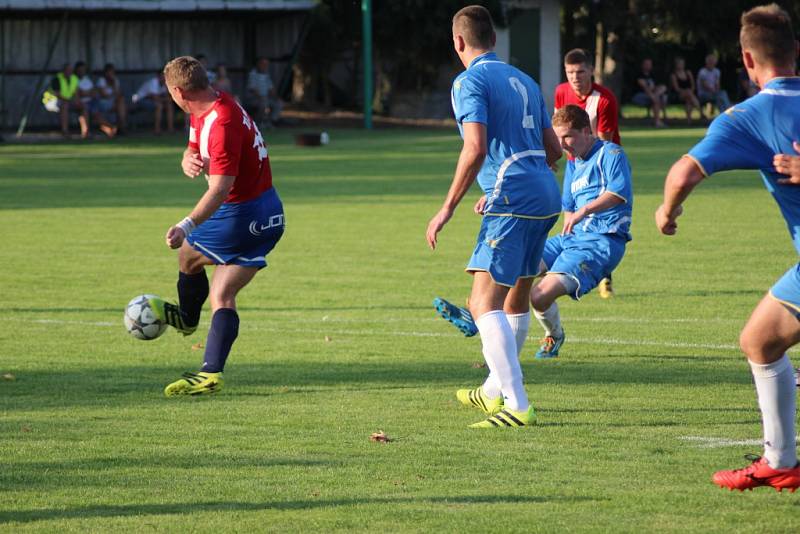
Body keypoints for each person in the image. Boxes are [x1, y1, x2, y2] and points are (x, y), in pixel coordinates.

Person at [656, 4, 800, 492]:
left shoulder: (750, 116)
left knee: (761, 343)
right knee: (761, 340)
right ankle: (779, 461)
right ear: (796, 52)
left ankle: (780, 460)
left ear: (745, 60)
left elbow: (684, 171)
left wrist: (667, 212)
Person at [426, 5, 561, 428]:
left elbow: (475, 147)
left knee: (482, 302)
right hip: (545, 194)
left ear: (458, 42)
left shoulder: (469, 81)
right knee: (512, 296)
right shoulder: (524, 78)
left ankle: (517, 405)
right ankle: (492, 390)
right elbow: (555, 150)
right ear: (495, 40)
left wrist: (446, 207)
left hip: (514, 196)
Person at [150, 55, 284, 397]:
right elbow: (195, 143)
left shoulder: (221, 121)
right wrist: (187, 158)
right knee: (222, 294)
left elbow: (221, 187)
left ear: (179, 91)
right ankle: (211, 373)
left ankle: (186, 319)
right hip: (270, 213)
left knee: (188, 256)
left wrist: (186, 225)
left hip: (243, 214)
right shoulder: (212, 102)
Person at [554, 47, 620, 298]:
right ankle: (569, 262)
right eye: (570, 72)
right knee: (568, 212)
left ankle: (603, 274)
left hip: (600, 167)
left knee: (598, 220)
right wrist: (554, 155)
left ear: (591, 70)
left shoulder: (604, 99)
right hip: (573, 163)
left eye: (580, 71)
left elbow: (605, 140)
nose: (575, 77)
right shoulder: (561, 92)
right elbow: (559, 125)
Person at [42, 62, 88, 137]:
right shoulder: (57, 79)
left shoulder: (74, 78)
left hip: (67, 101)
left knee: (83, 106)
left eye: (70, 70)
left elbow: (76, 93)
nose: (69, 72)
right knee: (65, 105)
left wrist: (77, 101)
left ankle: (85, 132)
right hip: (51, 101)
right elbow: (57, 94)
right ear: (63, 71)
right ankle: (65, 131)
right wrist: (70, 101)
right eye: (67, 70)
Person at [632, 58, 668, 127]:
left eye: (649, 64)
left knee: (662, 90)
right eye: (646, 64)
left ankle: (659, 121)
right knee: (656, 100)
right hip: (639, 96)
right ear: (642, 65)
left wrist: (655, 95)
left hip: (653, 95)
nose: (648, 66)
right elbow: (645, 88)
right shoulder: (639, 75)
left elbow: (657, 87)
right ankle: (657, 122)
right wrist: (653, 96)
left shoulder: (653, 75)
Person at [246, 57, 282, 127]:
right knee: (263, 103)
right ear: (259, 64)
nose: (265, 66)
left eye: (266, 64)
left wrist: (276, 97)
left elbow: (271, 88)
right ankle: (258, 122)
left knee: (279, 103)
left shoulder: (266, 75)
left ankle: (270, 122)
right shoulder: (253, 74)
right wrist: (261, 97)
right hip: (254, 99)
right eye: (263, 64)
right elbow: (252, 89)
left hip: (265, 98)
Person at [669, 57, 704, 123]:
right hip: (678, 95)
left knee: (688, 100)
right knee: (688, 94)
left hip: (690, 94)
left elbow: (693, 85)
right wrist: (687, 91)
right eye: (679, 64)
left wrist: (690, 91)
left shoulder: (688, 73)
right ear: (676, 65)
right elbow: (676, 88)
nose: (681, 65)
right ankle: (701, 112)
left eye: (682, 64)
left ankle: (689, 121)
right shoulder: (673, 75)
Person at [96, 63, 128, 133]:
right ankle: (121, 126)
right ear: (106, 72)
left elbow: (119, 94)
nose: (111, 74)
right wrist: (114, 93)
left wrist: (113, 85)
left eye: (112, 72)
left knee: (121, 102)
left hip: (114, 102)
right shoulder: (101, 80)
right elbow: (104, 95)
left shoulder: (115, 81)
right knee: (120, 104)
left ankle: (121, 126)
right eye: (109, 72)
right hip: (103, 103)